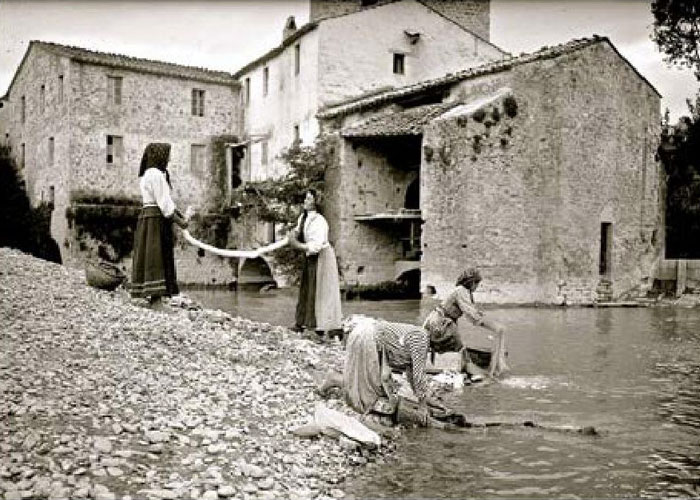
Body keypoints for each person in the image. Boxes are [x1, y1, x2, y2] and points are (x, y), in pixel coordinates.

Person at [318, 314, 459, 426]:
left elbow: (411, 373)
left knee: (365, 383)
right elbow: (418, 375)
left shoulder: (420, 335)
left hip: (366, 334)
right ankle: (334, 379)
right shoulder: (421, 340)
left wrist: (425, 398)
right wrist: (422, 406)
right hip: (368, 339)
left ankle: (333, 380)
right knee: (369, 393)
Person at [130, 143, 188, 307]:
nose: (170, 158)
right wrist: (181, 222)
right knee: (157, 256)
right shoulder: (156, 175)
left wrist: (178, 214)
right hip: (156, 219)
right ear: (161, 156)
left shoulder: (149, 174)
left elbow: (165, 201)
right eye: (168, 155)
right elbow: (164, 204)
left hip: (149, 217)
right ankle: (156, 300)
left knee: (150, 255)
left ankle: (151, 296)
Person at [423, 267, 509, 378]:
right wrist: (494, 327)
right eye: (477, 284)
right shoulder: (461, 291)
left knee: (460, 350)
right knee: (463, 355)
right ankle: (480, 373)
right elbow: (472, 315)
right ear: (472, 282)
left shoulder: (462, 292)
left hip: (440, 323)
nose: (477, 287)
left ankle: (466, 365)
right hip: (440, 324)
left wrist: (484, 320)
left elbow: (472, 313)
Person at [289, 189, 342, 341]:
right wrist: (293, 235)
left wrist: (297, 244)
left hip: (322, 257)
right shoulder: (303, 217)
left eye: (309, 199)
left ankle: (323, 326)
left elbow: (316, 246)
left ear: (316, 203)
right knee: (307, 287)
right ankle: (303, 323)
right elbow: (297, 231)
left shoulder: (320, 222)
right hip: (310, 257)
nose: (305, 201)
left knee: (322, 290)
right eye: (305, 198)